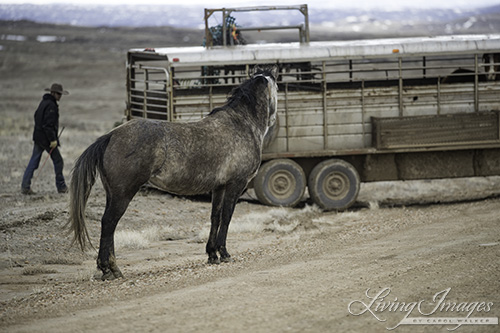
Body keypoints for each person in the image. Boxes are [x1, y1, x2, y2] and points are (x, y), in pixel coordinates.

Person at [21, 83, 69, 194]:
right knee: (58, 161)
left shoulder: (44, 102)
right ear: (53, 93)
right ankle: (61, 187)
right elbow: (48, 125)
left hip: (38, 138)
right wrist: (52, 139)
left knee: (34, 161)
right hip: (46, 139)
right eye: (58, 94)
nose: (60, 96)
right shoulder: (51, 106)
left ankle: (25, 186)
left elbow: (36, 116)